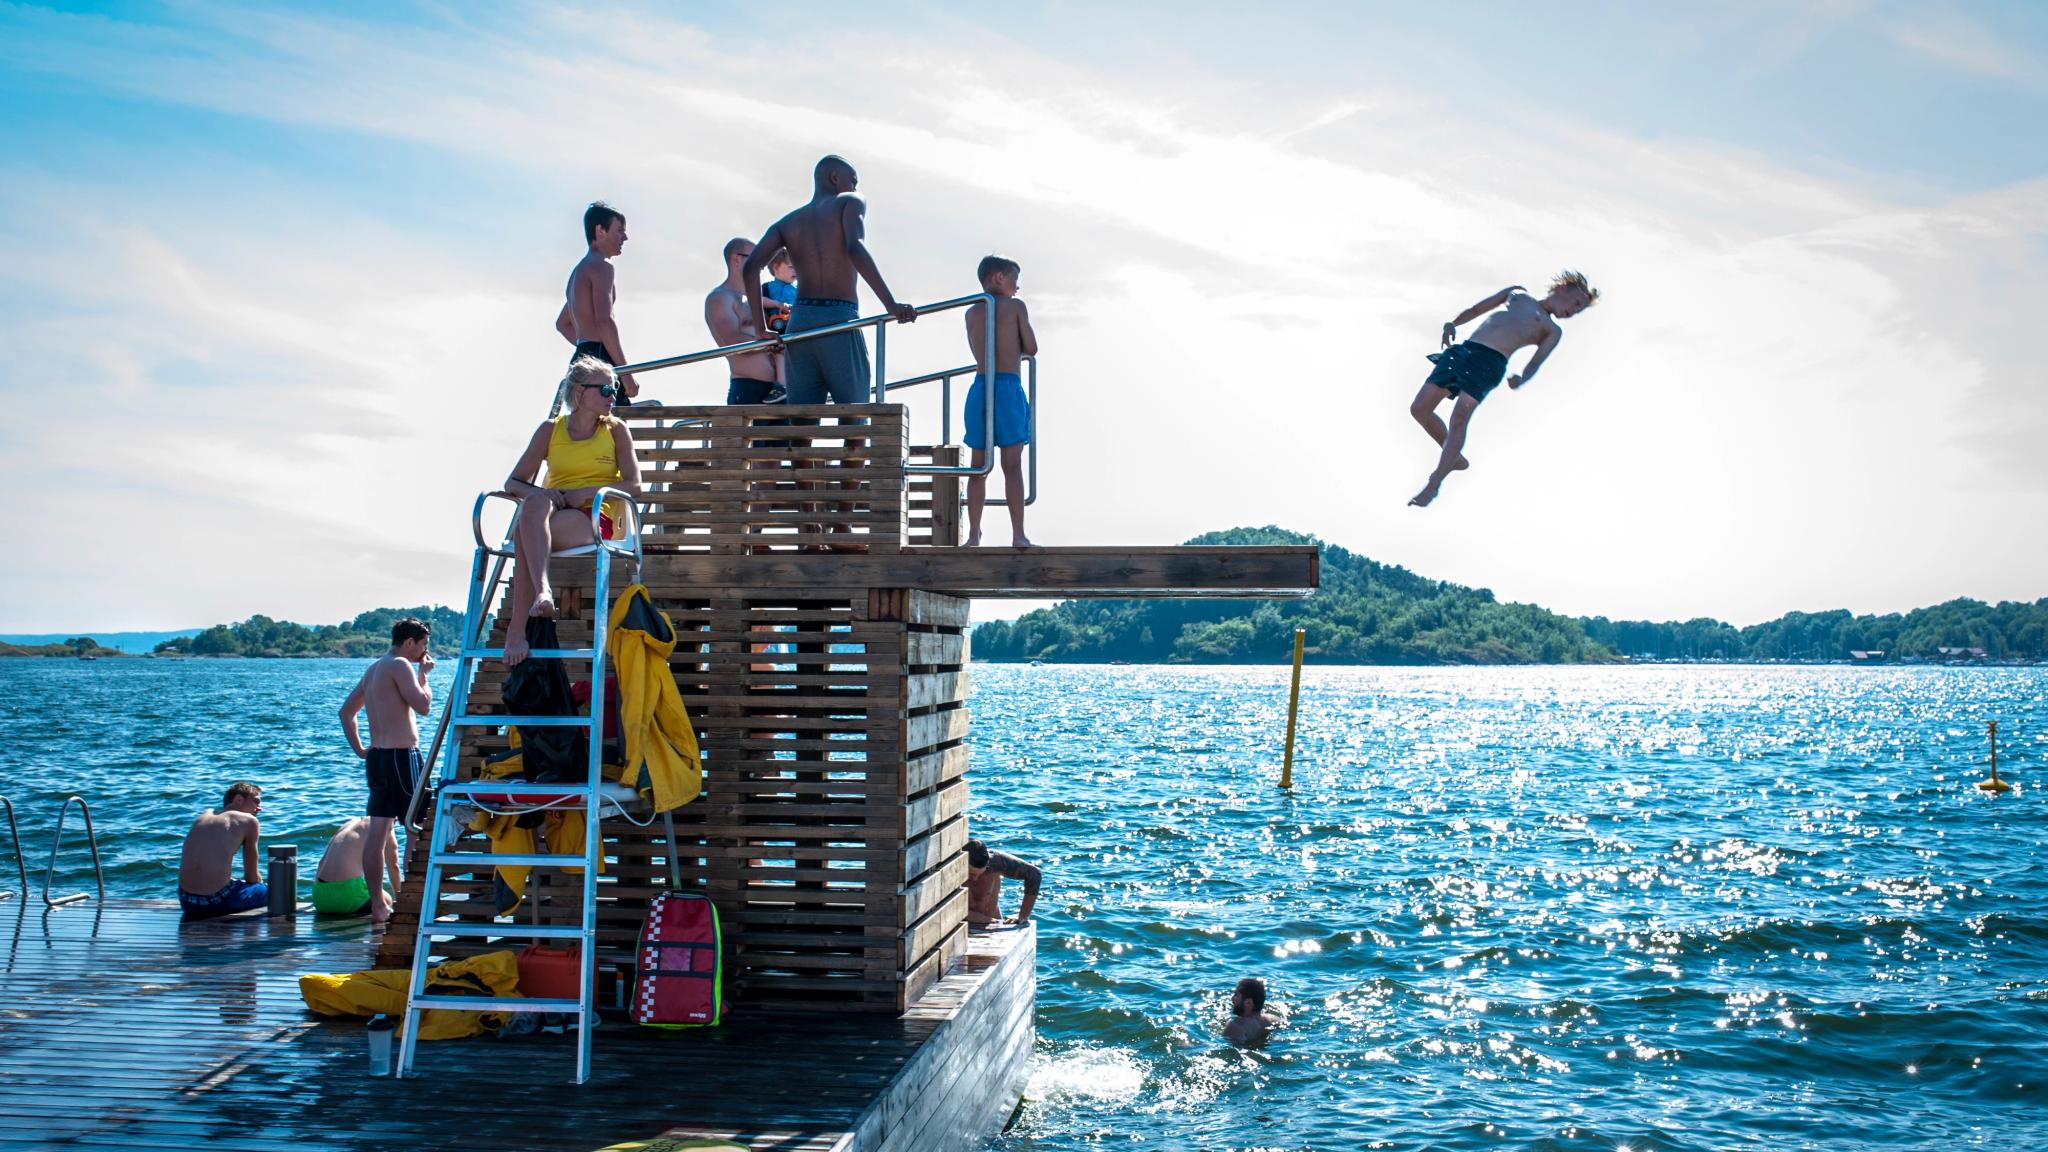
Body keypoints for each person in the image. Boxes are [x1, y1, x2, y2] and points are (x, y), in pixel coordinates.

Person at [1408, 270, 1598, 507]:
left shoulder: (1552, 329)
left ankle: (1434, 483)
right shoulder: (1517, 294)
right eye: (1576, 303)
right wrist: (1452, 323)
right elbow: (1477, 309)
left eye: (1578, 311)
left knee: (1459, 418)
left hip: (1490, 364)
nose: (1573, 312)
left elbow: (1536, 362)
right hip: (1464, 351)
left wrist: (1522, 378)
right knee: (1419, 409)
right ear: (1561, 288)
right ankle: (1453, 456)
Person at [741, 155, 918, 408]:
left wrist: (761, 330)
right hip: (838, 318)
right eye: (853, 181)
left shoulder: (788, 222)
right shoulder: (850, 201)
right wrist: (890, 305)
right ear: (835, 178)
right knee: (855, 419)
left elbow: (751, 268)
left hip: (800, 323)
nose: (855, 188)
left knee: (801, 424)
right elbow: (854, 247)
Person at [499, 356, 643, 665]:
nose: (613, 396)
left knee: (526, 531)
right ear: (579, 392)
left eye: (614, 388)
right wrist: (547, 494)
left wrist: (586, 492)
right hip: (561, 513)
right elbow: (514, 482)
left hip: (604, 516)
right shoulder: (550, 431)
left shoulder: (616, 430)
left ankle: (518, 626)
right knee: (533, 504)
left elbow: (635, 486)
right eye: (605, 389)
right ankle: (542, 593)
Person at [339, 617, 435, 924]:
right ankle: (413, 901)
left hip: (378, 757)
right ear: (409, 642)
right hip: (402, 757)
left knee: (377, 835)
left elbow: (346, 713)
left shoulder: (374, 668)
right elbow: (423, 706)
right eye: (423, 646)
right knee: (414, 829)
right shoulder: (401, 666)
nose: (424, 652)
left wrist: (360, 750)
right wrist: (425, 676)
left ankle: (379, 906)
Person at [962, 255, 1038, 548]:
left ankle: (973, 534)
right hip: (1007, 386)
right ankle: (1018, 534)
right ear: (999, 278)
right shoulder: (1016, 307)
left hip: (981, 386)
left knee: (978, 467)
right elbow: (1031, 347)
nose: (1017, 287)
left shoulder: (971, 311)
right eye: (1015, 280)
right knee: (1012, 466)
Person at [554, 201, 638, 402]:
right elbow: (604, 321)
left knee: (587, 429)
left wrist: (586, 349)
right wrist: (626, 374)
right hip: (600, 359)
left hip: (582, 359)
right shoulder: (602, 266)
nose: (625, 237)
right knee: (615, 428)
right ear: (600, 231)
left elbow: (562, 324)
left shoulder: (579, 271)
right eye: (619, 230)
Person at [707, 236, 784, 405]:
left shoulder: (758, 299)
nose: (760, 265)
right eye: (755, 257)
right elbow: (734, 342)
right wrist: (775, 345)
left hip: (779, 390)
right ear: (736, 259)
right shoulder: (720, 297)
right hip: (749, 390)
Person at [177, 781, 267, 919]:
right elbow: (252, 877)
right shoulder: (249, 821)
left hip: (186, 901)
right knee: (277, 891)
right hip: (216, 901)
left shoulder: (204, 815)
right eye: (256, 801)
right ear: (238, 799)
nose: (259, 808)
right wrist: (260, 884)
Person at [311, 816, 388, 917]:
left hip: (319, 899)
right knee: (386, 898)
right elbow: (393, 866)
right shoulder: (382, 825)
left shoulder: (348, 825)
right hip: (347, 899)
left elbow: (321, 862)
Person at [964, 838, 1040, 929]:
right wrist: (980, 918)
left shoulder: (996, 863)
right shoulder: (949, 869)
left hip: (992, 923)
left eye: (981, 874)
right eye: (970, 874)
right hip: (962, 927)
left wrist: (1023, 916)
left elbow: (1034, 874)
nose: (975, 878)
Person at [1223, 977, 1280, 1047]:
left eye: (1236, 995)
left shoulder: (1235, 1026)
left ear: (1248, 1002)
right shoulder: (1274, 1019)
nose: (1232, 999)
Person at [762, 247, 798, 330]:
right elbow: (757, 301)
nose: (796, 270)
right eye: (791, 267)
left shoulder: (800, 288)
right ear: (776, 268)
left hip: (796, 323)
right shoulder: (767, 287)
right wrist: (776, 304)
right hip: (777, 324)